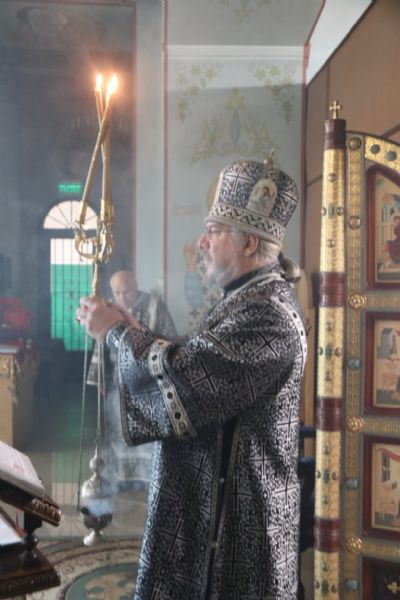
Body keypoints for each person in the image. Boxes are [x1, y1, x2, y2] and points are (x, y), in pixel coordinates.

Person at [77, 159, 307, 599]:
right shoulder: (246, 298)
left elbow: (189, 386)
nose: (201, 242)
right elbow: (199, 358)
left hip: (240, 532)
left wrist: (116, 333)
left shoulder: (267, 314)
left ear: (249, 242)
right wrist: (136, 331)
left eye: (213, 231)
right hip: (218, 517)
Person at [87, 270, 177, 489]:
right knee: (120, 428)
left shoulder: (155, 305)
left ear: (135, 286)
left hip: (150, 379)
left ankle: (149, 479)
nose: (122, 297)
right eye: (117, 293)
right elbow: (100, 343)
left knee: (148, 428)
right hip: (119, 380)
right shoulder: (109, 309)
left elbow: (170, 339)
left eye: (126, 292)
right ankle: (123, 479)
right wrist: (99, 378)